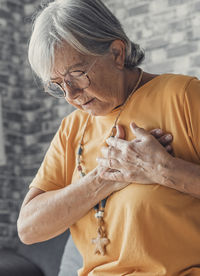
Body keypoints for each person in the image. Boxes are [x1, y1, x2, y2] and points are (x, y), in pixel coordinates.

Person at [17, 0, 200, 275]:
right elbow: (29, 229)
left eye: (76, 75)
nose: (70, 95)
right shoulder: (71, 128)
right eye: (57, 85)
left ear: (116, 53)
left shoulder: (183, 96)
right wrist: (104, 177)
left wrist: (165, 170)